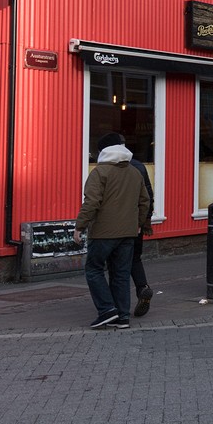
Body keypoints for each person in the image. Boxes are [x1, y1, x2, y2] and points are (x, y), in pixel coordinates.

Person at [74, 139, 151, 329]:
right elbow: (145, 201)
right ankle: (122, 316)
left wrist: (79, 226)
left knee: (94, 270)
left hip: (103, 233)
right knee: (121, 274)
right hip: (128, 233)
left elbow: (91, 202)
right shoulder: (135, 173)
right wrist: (139, 223)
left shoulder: (100, 172)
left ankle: (107, 310)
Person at [97, 133, 156, 317]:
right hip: (135, 221)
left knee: (115, 264)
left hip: (114, 224)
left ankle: (115, 307)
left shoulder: (110, 167)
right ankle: (142, 287)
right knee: (134, 258)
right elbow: (147, 197)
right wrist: (143, 221)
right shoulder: (138, 166)